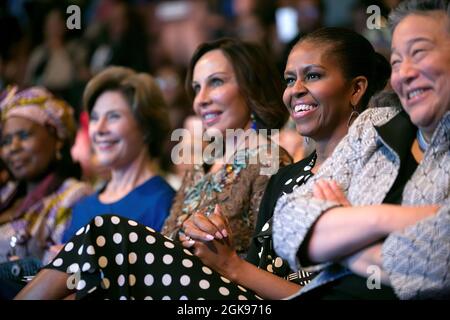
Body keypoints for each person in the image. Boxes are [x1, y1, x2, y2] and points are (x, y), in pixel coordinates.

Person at [16, 32, 391, 300]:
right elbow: (172, 238)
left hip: (228, 297)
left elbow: (253, 270)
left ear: (247, 86)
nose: (202, 99)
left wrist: (226, 259)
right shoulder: (265, 173)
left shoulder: (278, 160)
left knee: (106, 233)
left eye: (215, 83)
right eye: (290, 79)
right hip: (202, 288)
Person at [272, 0, 450, 300]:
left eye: (418, 53)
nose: (403, 73)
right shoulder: (373, 128)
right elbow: (287, 223)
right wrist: (379, 219)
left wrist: (341, 242)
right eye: (395, 61)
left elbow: (438, 263)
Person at [62, 66, 175, 242]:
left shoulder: (164, 204)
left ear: (145, 127)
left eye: (113, 116)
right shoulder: (83, 207)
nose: (99, 129)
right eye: (94, 118)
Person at [0, 86, 92, 279]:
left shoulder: (74, 197)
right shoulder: (5, 194)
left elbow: (64, 276)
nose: (13, 148)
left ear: (57, 138)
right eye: (6, 141)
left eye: (24, 136)